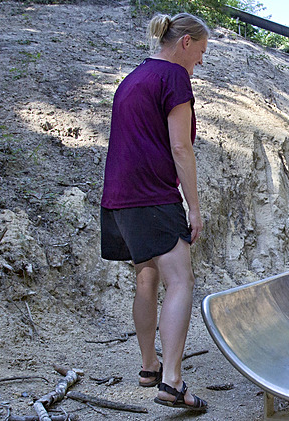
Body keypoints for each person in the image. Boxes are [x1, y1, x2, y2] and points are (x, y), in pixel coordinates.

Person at [100, 12, 209, 411]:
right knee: (181, 280)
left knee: (146, 277)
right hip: (153, 195)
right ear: (184, 43)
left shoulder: (133, 78)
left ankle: (150, 367)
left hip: (119, 197)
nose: (199, 62)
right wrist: (193, 209)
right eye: (200, 52)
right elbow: (181, 149)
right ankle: (173, 382)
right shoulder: (173, 78)